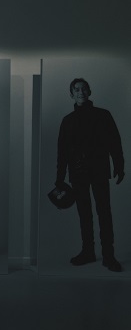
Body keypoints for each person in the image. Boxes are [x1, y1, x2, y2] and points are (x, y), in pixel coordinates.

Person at [55, 78, 124, 272]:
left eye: (84, 88)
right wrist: (59, 178)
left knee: (104, 212)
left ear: (89, 91)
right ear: (71, 94)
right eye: (76, 89)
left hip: (99, 171)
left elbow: (115, 142)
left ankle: (108, 255)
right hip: (78, 174)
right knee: (84, 214)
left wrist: (119, 166)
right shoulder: (67, 121)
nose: (81, 92)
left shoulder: (103, 115)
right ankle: (88, 252)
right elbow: (62, 152)